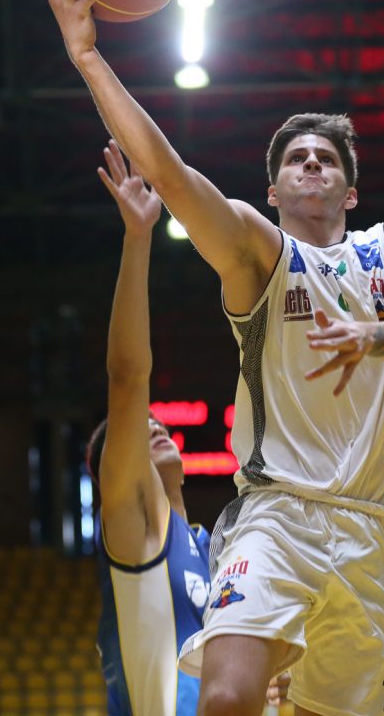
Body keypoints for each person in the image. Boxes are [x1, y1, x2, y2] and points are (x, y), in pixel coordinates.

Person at [44, 0, 384, 716]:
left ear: (351, 192)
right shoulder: (260, 250)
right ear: (274, 188)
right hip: (275, 513)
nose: (312, 165)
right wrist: (88, 58)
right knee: (226, 697)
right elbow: (171, 175)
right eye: (297, 159)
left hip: (372, 525)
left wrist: (372, 337)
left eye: (327, 159)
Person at [87, 141, 288, 715]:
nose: (150, 425)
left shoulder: (214, 547)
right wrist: (138, 237)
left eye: (155, 423)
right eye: (134, 431)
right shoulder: (134, 531)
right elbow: (129, 379)